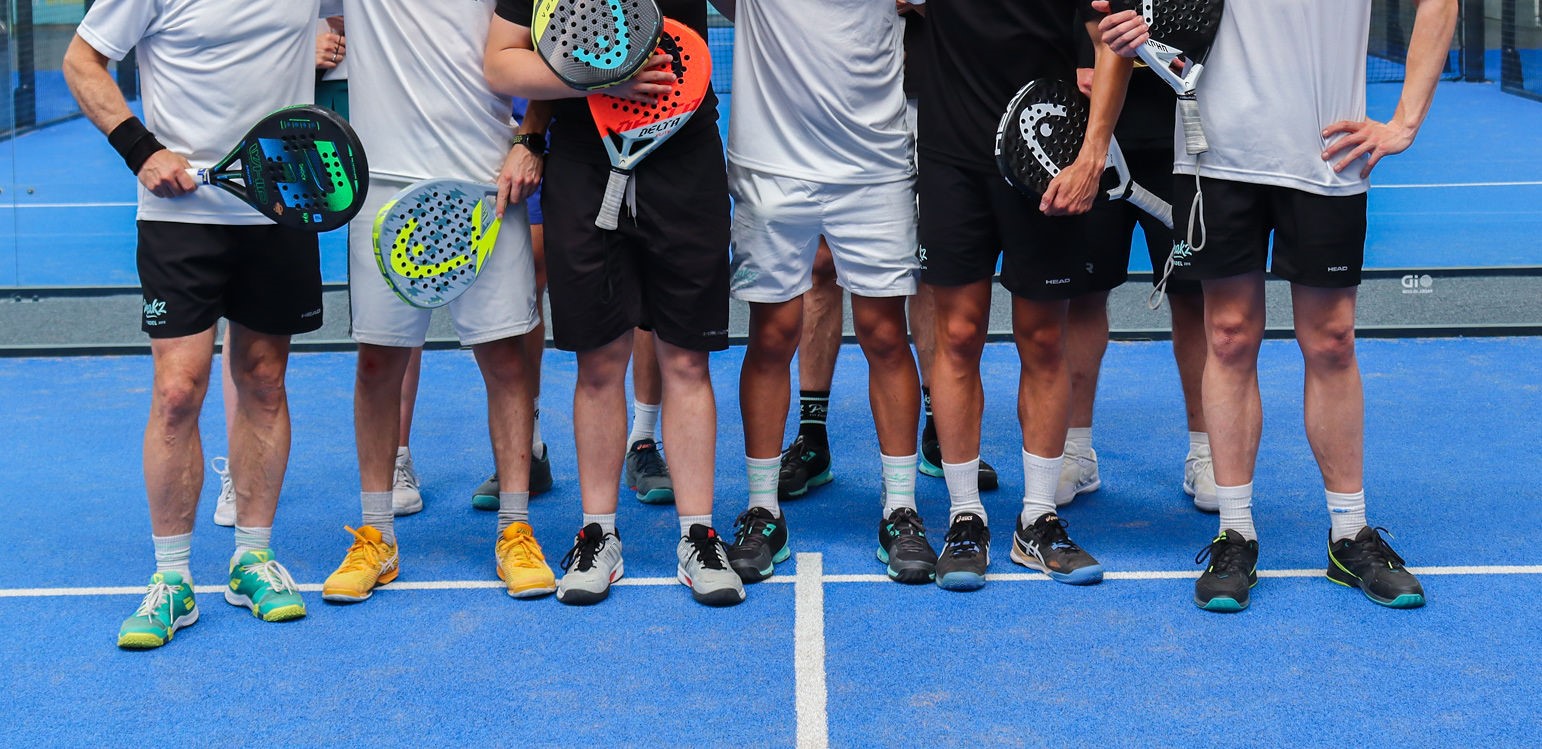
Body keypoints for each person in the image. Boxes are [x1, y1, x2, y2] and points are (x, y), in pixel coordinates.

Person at [1100, 0, 1452, 611]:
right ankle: (1235, 532)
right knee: (1230, 336)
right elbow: (1153, 16)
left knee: (1333, 339)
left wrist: (1405, 122)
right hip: (1216, 151)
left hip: (1327, 150)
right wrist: (1139, 36)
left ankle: (1350, 535)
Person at [65, 0, 322, 648]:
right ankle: (172, 579)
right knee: (177, 390)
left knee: (264, 380)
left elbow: (357, 27)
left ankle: (252, 560)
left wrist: (325, 42)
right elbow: (82, 60)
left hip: (281, 201)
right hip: (177, 215)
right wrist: (140, 149)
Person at [485, 0, 744, 606]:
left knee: (686, 360)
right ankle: (597, 532)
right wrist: (603, 78)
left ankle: (697, 535)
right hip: (583, 160)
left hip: (686, 156)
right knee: (599, 363)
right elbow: (501, 64)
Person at [319, 0, 550, 603]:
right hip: (383, 185)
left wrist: (532, 136)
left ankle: (515, 529)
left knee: (505, 362)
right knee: (377, 365)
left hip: (485, 181)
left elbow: (549, 45)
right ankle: (376, 534)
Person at [914, 0, 1131, 591]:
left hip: (1046, 152)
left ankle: (1038, 519)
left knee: (1043, 339)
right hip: (949, 157)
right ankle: (964, 518)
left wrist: (1091, 156)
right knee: (957, 334)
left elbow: (1111, 38)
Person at [719, 0, 932, 585]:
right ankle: (763, 511)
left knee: (886, 335)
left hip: (876, 162)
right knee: (772, 335)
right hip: (770, 163)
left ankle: (901, 509)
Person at [774, 6, 999, 503]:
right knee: (820, 265)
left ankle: (940, 428)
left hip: (932, 92)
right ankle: (812, 438)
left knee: (927, 265)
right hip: (833, 96)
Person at [1057, 4, 1214, 511]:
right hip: (1091, 132)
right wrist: (1079, 56)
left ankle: (1207, 454)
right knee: (1080, 296)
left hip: (1187, 131)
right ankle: (1074, 453)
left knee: (1196, 300)